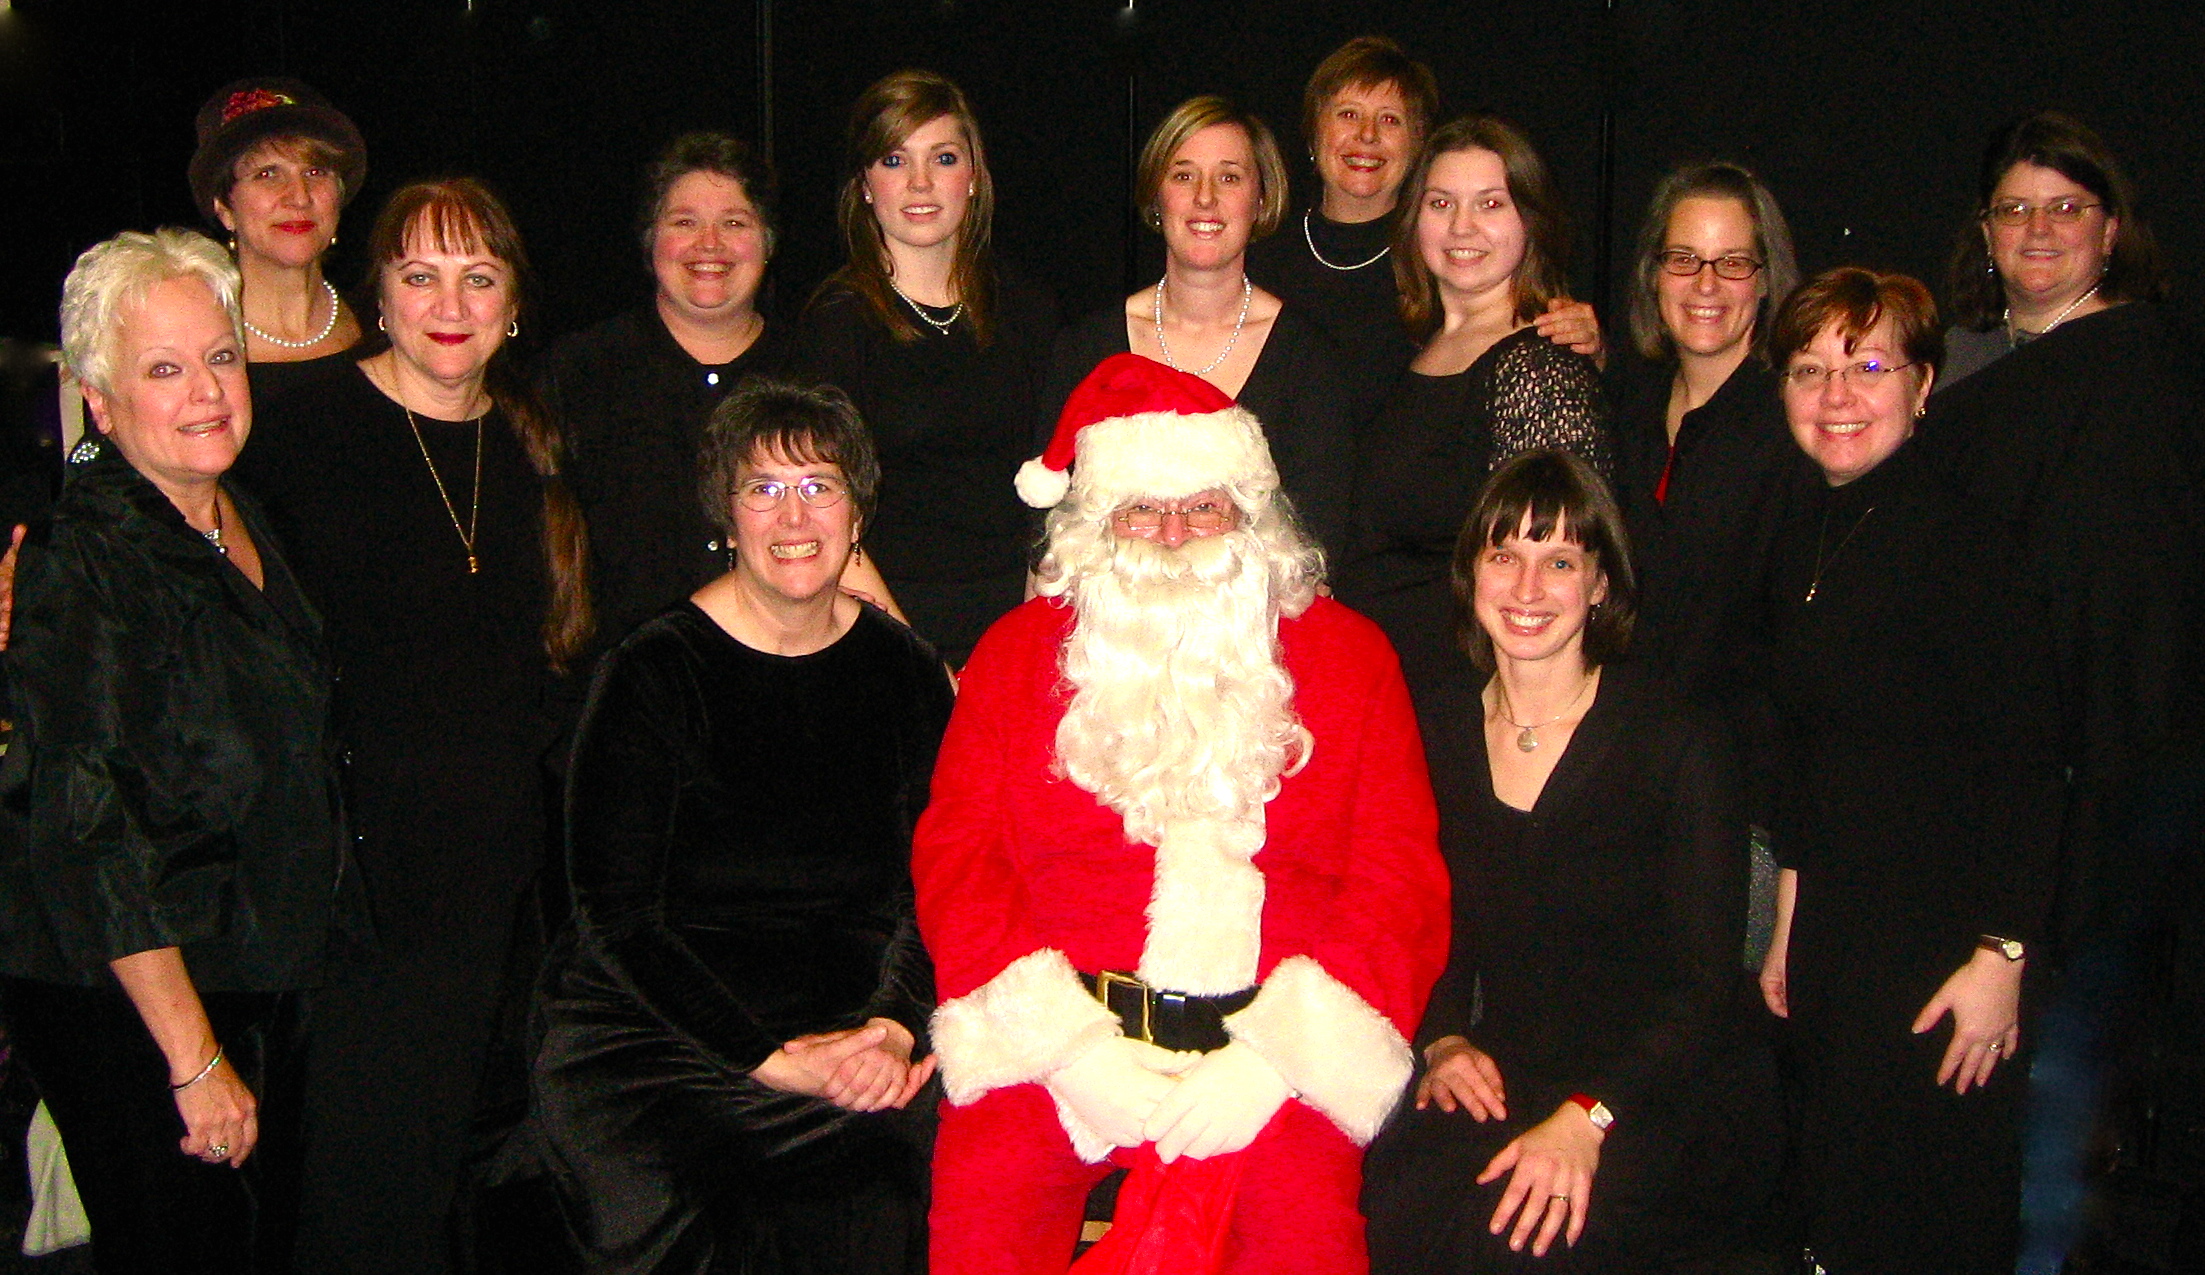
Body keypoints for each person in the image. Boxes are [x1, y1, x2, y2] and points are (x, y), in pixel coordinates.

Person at [920, 353, 1450, 1273]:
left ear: (1252, 517)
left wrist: (1275, 1060)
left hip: (1268, 1055)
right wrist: (1068, 1049)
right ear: (1096, 525)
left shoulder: (1350, 658)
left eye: (1202, 505)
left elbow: (1397, 883)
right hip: (1059, 1045)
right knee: (979, 1226)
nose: (1171, 534)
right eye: (1141, 509)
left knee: (1306, 1245)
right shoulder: (1015, 657)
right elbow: (959, 861)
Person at [233, 178, 592, 1275]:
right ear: (376, 297)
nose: (450, 301)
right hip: (354, 884)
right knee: (354, 1189)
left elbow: (548, 674)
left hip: (492, 887)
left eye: (478, 277)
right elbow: (180, 545)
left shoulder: (537, 451)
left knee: (447, 1181)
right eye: (419, 274)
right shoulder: (299, 426)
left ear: (514, 304)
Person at [530, 379, 949, 1272]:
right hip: (658, 1033)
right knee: (690, 1203)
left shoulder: (906, 672)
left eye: (819, 486)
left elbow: (940, 881)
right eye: (762, 488)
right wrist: (763, 1056)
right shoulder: (650, 671)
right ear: (726, 514)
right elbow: (615, 916)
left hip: (851, 1022)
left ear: (857, 512)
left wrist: (894, 1027)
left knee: (880, 1192)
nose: (792, 515)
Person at [0, 229, 358, 1272]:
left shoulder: (239, 513)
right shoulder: (88, 558)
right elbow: (89, 827)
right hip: (143, 1003)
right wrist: (192, 1060)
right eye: (164, 369)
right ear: (100, 403)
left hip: (249, 970)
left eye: (220, 357)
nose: (207, 391)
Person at [1923, 110, 2205, 1275]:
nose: (2038, 230)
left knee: (2062, 1184)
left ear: (2112, 230)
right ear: (1983, 233)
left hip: (2093, 851)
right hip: (1999, 830)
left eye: (2066, 207)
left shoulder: (2138, 384)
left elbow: (2118, 654)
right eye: (2015, 208)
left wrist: (2029, 919)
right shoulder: (1985, 378)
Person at [1361, 450, 1748, 1273]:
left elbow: (1703, 991)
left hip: (1649, 1096)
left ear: (1601, 584)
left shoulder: (1678, 741)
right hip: (1498, 1074)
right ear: (1471, 573)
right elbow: (1420, 919)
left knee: (1514, 1244)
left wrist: (1588, 1116)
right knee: (1378, 1208)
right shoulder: (1433, 725)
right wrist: (1441, 1039)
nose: (1528, 588)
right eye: (1505, 555)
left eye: (1560, 560)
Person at [1757, 268, 2066, 1274]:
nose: (1838, 394)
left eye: (1869, 364)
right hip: (1843, 934)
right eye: (1811, 370)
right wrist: (1790, 930)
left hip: (1951, 943)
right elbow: (1806, 757)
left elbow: (2030, 758)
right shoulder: (1805, 524)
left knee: (1932, 1214)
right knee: (1837, 1204)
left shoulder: (1968, 538)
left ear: (1924, 385)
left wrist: (2003, 956)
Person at [1336, 114, 1614, 695]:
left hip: (1466, 696)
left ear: (1531, 220)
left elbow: (1552, 577)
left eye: (1491, 205)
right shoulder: (1418, 348)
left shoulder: (1537, 367)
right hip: (1389, 687)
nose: (1462, 226)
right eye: (1440, 204)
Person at [786, 70, 1055, 666]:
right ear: (863, 184)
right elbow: (820, 512)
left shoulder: (1027, 309)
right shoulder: (835, 326)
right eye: (893, 160)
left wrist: (1029, 632)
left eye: (944, 157)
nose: (921, 183)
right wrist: (918, 662)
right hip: (880, 629)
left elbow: (1059, 479)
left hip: (1020, 621)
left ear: (975, 178)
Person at [537, 132, 818, 648]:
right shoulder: (579, 371)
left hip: (786, 668)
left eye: (734, 223)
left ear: (768, 242)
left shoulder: (814, 372)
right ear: (650, 239)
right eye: (684, 222)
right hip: (620, 680)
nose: (709, 244)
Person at [1043, 96, 1357, 556]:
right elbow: (1049, 536)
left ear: (1261, 198)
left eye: (1229, 177)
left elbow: (1316, 553)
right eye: (1183, 175)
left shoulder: (1308, 361)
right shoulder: (1085, 347)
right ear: (1156, 195)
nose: (1205, 197)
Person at [1247, 37, 1603, 400]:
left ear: (1418, 144)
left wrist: (1590, 347)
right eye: (1348, 114)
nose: (1367, 135)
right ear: (1313, 131)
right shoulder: (1257, 262)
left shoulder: (1450, 262)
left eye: (1390, 120)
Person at [1609, 161, 1802, 710]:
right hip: (1628, 736)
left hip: (1739, 750)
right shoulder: (1625, 408)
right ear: (1653, 273)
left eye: (1734, 262)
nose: (1706, 284)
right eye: (1684, 260)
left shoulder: (1795, 425)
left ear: (1766, 279)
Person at [187, 76, 370, 401]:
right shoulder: (190, 342)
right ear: (225, 208)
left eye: (315, 172)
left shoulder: (383, 326)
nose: (299, 197)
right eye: (267, 174)